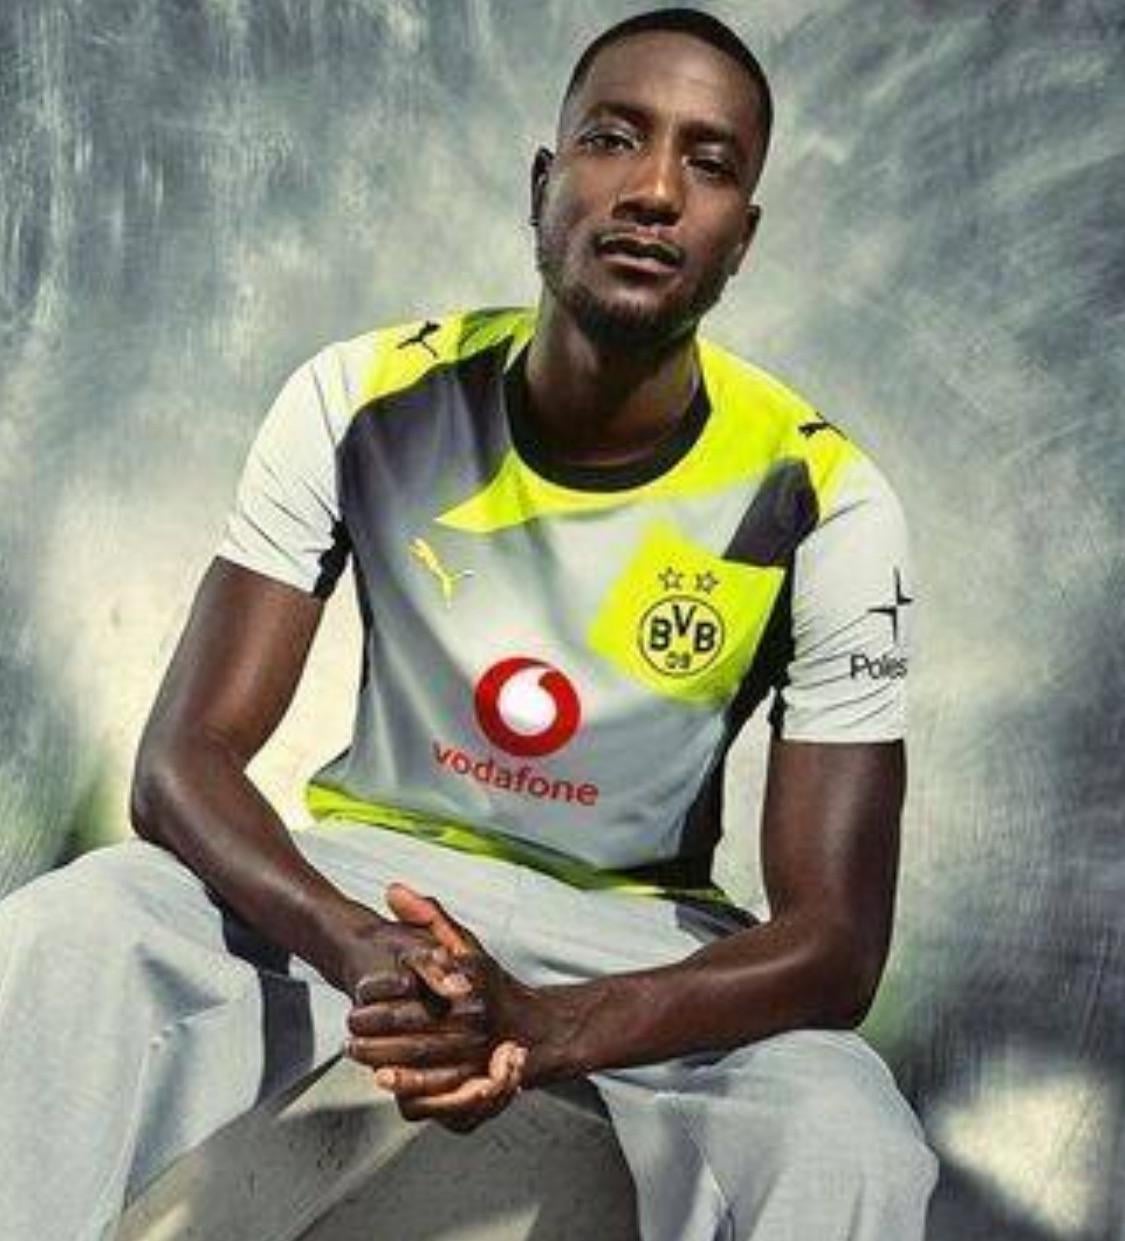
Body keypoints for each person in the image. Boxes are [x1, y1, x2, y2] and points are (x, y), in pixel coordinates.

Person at [0, 8, 939, 1239]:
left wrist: (555, 1024)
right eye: (614, 138)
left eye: (708, 163)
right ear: (544, 183)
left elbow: (837, 943)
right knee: (68, 930)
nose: (655, 190)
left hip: (633, 935)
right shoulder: (362, 394)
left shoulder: (825, 497)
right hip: (372, 881)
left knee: (851, 1132)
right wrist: (356, 945)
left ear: (742, 236)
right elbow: (180, 760)